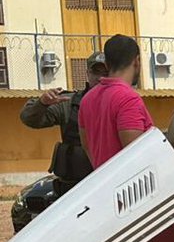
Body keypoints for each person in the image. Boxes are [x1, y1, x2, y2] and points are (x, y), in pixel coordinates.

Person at [20, 51, 107, 195]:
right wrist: (42, 103)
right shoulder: (68, 103)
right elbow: (28, 118)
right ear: (87, 73)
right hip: (74, 188)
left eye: (106, 72)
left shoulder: (122, 103)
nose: (101, 77)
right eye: (96, 72)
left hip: (108, 183)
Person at [78, 35, 155, 168]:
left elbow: (87, 147)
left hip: (103, 182)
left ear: (107, 64)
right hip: (129, 186)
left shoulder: (86, 100)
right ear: (137, 61)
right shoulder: (128, 99)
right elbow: (136, 156)